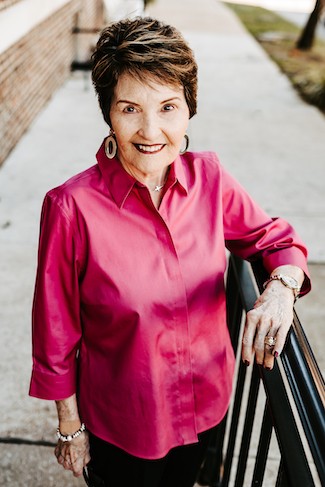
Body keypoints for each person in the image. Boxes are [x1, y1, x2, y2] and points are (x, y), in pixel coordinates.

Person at [29, 16, 310, 487]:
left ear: (189, 110)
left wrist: (281, 289)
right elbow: (55, 334)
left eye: (168, 106)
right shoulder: (70, 207)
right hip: (124, 427)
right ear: (108, 114)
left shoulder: (211, 180)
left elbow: (277, 239)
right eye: (129, 109)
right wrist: (69, 428)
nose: (151, 130)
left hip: (207, 409)